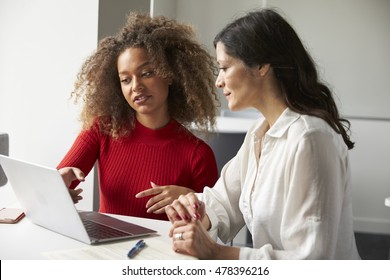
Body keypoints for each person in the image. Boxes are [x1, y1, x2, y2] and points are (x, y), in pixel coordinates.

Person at [166, 8, 361, 259]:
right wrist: (196, 212)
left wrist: (216, 252)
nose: (218, 81)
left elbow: (310, 259)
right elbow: (225, 199)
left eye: (224, 67)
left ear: (261, 66)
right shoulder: (259, 132)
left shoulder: (310, 138)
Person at [57, 13, 219, 221]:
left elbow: (213, 226)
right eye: (126, 79)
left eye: (147, 73)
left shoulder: (197, 154)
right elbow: (58, 181)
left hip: (163, 252)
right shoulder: (102, 129)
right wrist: (59, 186)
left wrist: (191, 199)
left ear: (169, 75)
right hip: (106, 250)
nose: (136, 87)